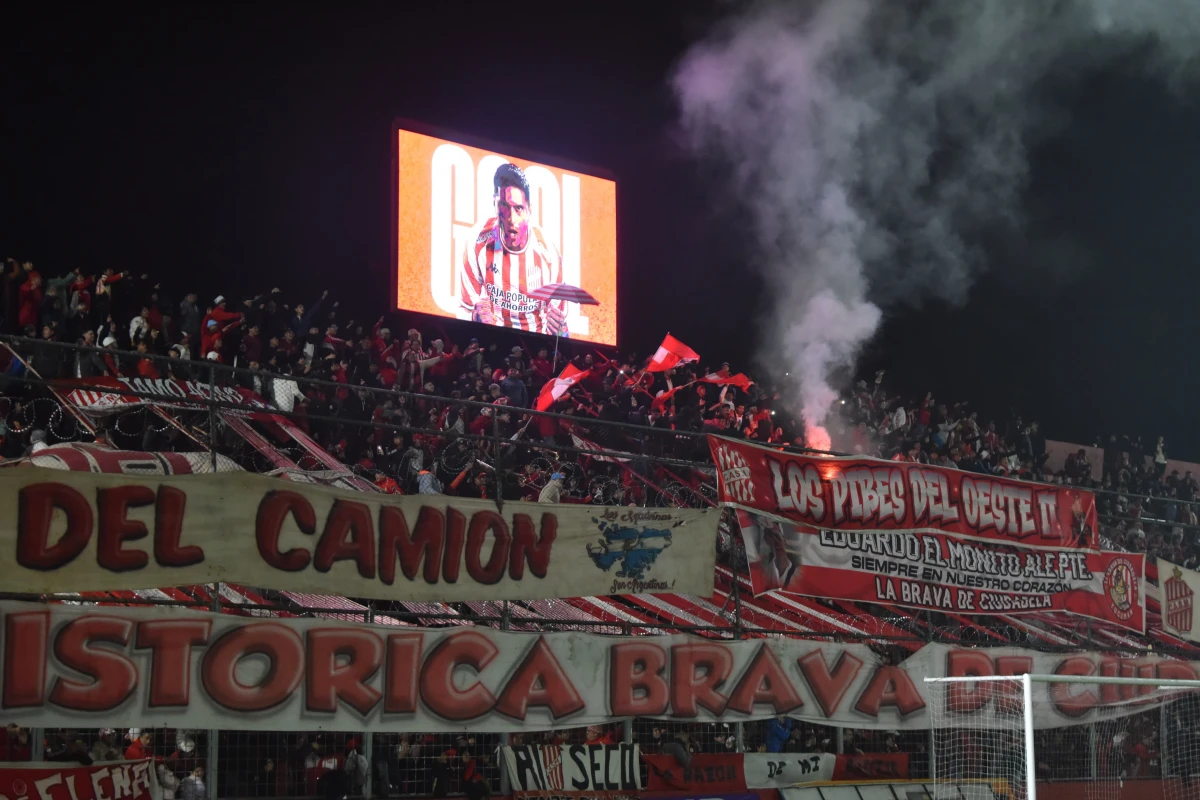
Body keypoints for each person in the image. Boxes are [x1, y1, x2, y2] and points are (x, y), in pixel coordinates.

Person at [457, 162, 567, 335]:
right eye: (504, 206)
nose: (511, 218)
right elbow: (463, 309)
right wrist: (474, 317)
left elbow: (561, 329)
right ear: (495, 204)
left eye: (518, 208)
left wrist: (561, 332)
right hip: (492, 338)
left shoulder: (549, 254)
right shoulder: (477, 241)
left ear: (529, 210)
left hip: (534, 343)